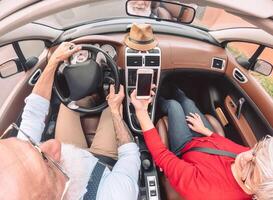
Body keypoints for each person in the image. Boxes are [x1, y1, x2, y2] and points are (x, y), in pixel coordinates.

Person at [0, 42, 140, 200]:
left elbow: (34, 111)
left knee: (69, 103)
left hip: (72, 158)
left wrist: (53, 62)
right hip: (103, 162)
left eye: (32, 146)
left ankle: (91, 98)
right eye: (45, 161)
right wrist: (114, 111)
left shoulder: (20, 165)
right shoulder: (116, 195)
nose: (53, 143)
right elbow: (130, 155)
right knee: (110, 107)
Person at [130, 86, 273, 200]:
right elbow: (227, 145)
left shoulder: (204, 190)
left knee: (174, 106)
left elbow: (161, 155)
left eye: (253, 166)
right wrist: (205, 131)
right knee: (187, 102)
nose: (246, 156)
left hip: (185, 146)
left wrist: (141, 111)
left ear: (259, 191)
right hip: (207, 138)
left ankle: (158, 97)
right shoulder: (252, 157)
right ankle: (173, 88)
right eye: (255, 151)